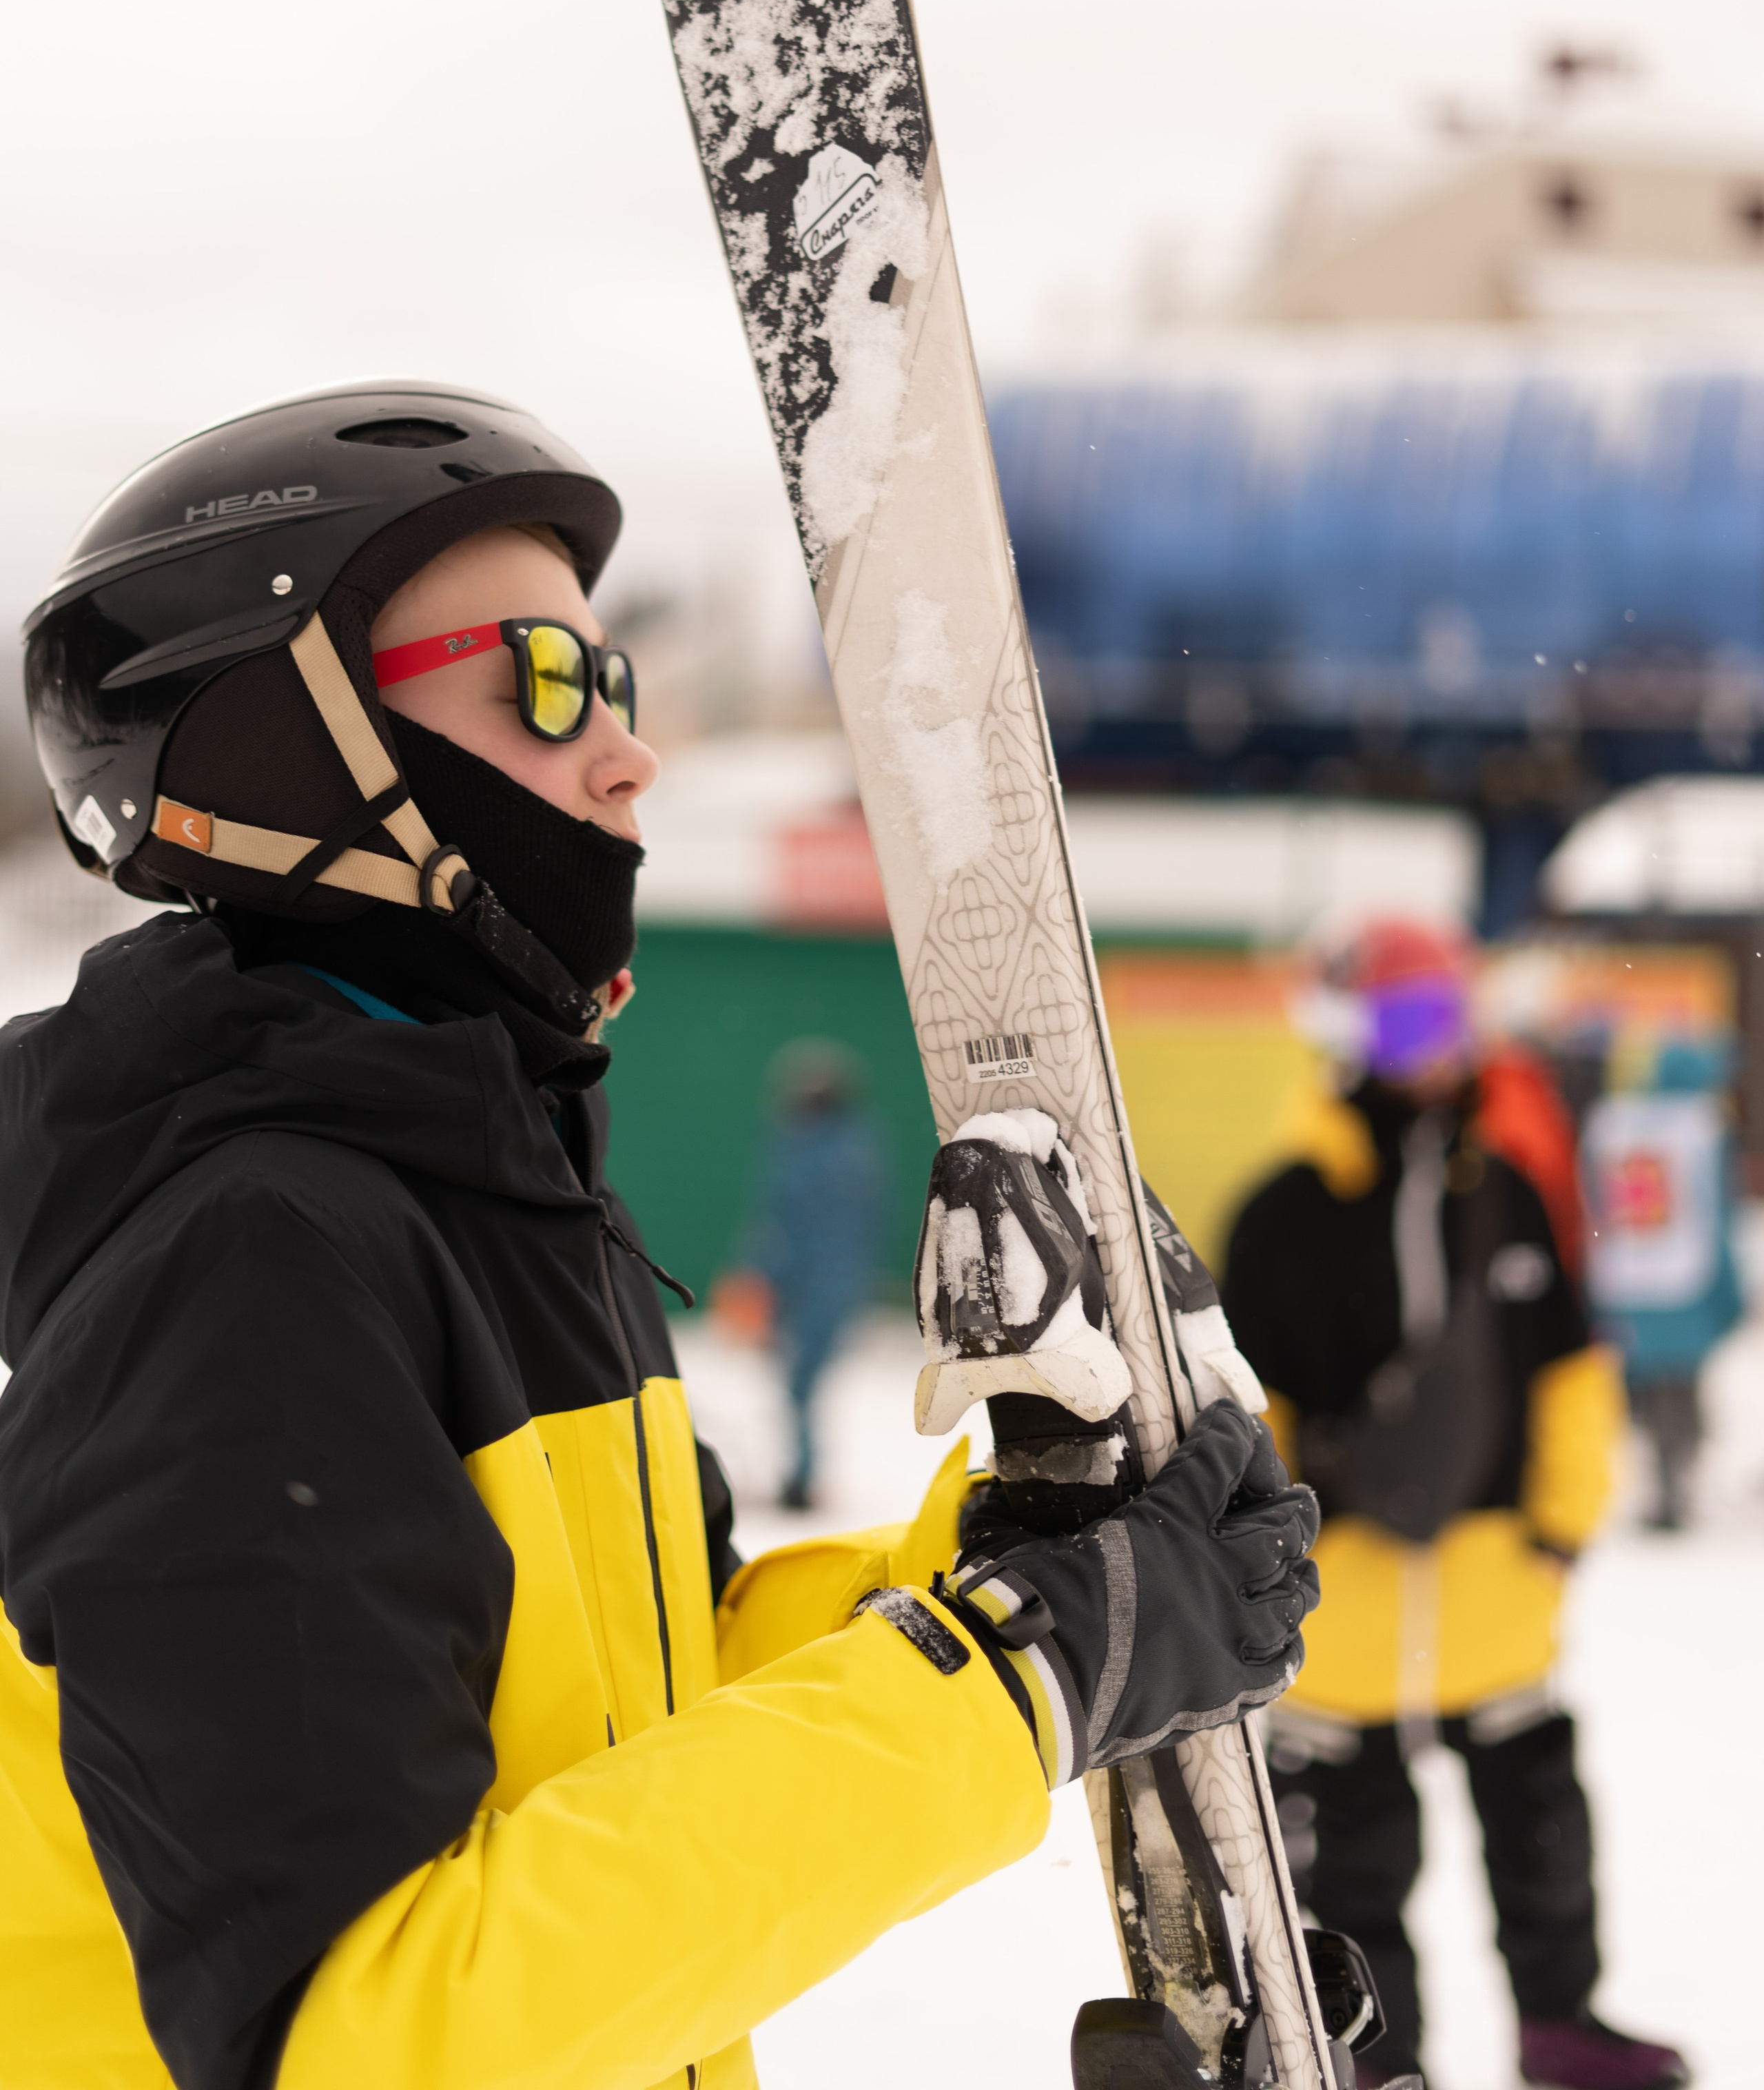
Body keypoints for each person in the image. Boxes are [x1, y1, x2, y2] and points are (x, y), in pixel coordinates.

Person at [0, 381, 1320, 2090]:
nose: (627, 747)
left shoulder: (489, 1193)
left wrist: (995, 1571)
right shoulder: (245, 1266)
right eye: (546, 684)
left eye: (615, 681)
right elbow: (364, 2030)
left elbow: (629, 1706)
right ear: (300, 754)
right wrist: (1014, 1674)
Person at [1227, 916, 1685, 2090]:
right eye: (1402, 1018)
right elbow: (1249, 1409)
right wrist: (1268, 1564)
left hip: (1493, 1579)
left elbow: (1569, 1371)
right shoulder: (1284, 1205)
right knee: (1352, 1861)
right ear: (1349, 1030)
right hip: (1348, 1600)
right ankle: (1382, 2063)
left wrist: (1561, 1529)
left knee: (1542, 1822)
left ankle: (1562, 2024)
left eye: (1448, 1014)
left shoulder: (1511, 1187)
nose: (1432, 1047)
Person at [1580, 1034, 1745, 1531]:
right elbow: (1717, 1208)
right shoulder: (1702, 1126)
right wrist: (1729, 1284)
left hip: (1622, 1278)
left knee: (1643, 1386)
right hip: (1685, 1278)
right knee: (1683, 1383)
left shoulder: (1606, 1122)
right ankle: (1679, 1477)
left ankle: (1658, 1476)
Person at [721, 1038, 887, 1510]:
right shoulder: (845, 1147)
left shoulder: (818, 1153)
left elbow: (792, 1227)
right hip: (825, 1284)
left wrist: (760, 1274)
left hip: (819, 1286)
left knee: (801, 1383)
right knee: (799, 1383)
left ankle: (802, 1479)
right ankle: (800, 1474)